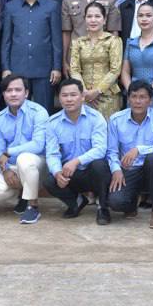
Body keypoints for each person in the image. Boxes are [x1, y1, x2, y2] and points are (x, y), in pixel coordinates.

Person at [0, 75, 51, 223]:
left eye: (18, 90)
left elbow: (38, 144)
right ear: (3, 94)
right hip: (12, 166)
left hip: (37, 164)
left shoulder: (39, 112)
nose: (13, 94)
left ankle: (32, 206)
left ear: (26, 93)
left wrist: (9, 152)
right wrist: (5, 170)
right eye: (9, 90)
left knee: (24, 158)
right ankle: (22, 196)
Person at [44, 78, 111, 224]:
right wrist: (57, 172)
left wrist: (76, 161)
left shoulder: (96, 118)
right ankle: (76, 202)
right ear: (59, 98)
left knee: (100, 165)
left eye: (73, 95)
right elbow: (52, 153)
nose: (69, 99)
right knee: (49, 180)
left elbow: (100, 149)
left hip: (92, 173)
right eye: (64, 95)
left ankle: (103, 208)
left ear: (82, 97)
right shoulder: (52, 123)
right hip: (70, 174)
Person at [106, 81, 153, 228]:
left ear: (150, 100)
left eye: (142, 97)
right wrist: (116, 170)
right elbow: (112, 151)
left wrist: (139, 150)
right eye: (134, 96)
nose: (137, 101)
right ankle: (132, 203)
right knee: (116, 202)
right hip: (129, 170)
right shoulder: (116, 120)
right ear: (128, 99)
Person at [0, 0, 62, 109]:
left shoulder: (51, 6)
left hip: (44, 69)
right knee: (17, 110)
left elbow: (56, 40)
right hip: (17, 69)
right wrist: (6, 68)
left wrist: (57, 67)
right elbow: (6, 41)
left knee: (44, 110)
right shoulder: (11, 7)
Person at [61, 0, 120, 70]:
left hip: (102, 57)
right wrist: (64, 61)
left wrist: (114, 61)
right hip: (76, 56)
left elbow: (114, 32)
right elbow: (66, 32)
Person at [69, 2, 124, 120]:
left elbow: (115, 70)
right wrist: (84, 92)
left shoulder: (113, 40)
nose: (93, 20)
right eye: (89, 16)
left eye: (97, 16)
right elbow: (74, 70)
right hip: (83, 96)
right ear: (85, 19)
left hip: (107, 96)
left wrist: (97, 91)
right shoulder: (78, 42)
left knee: (107, 128)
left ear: (104, 20)